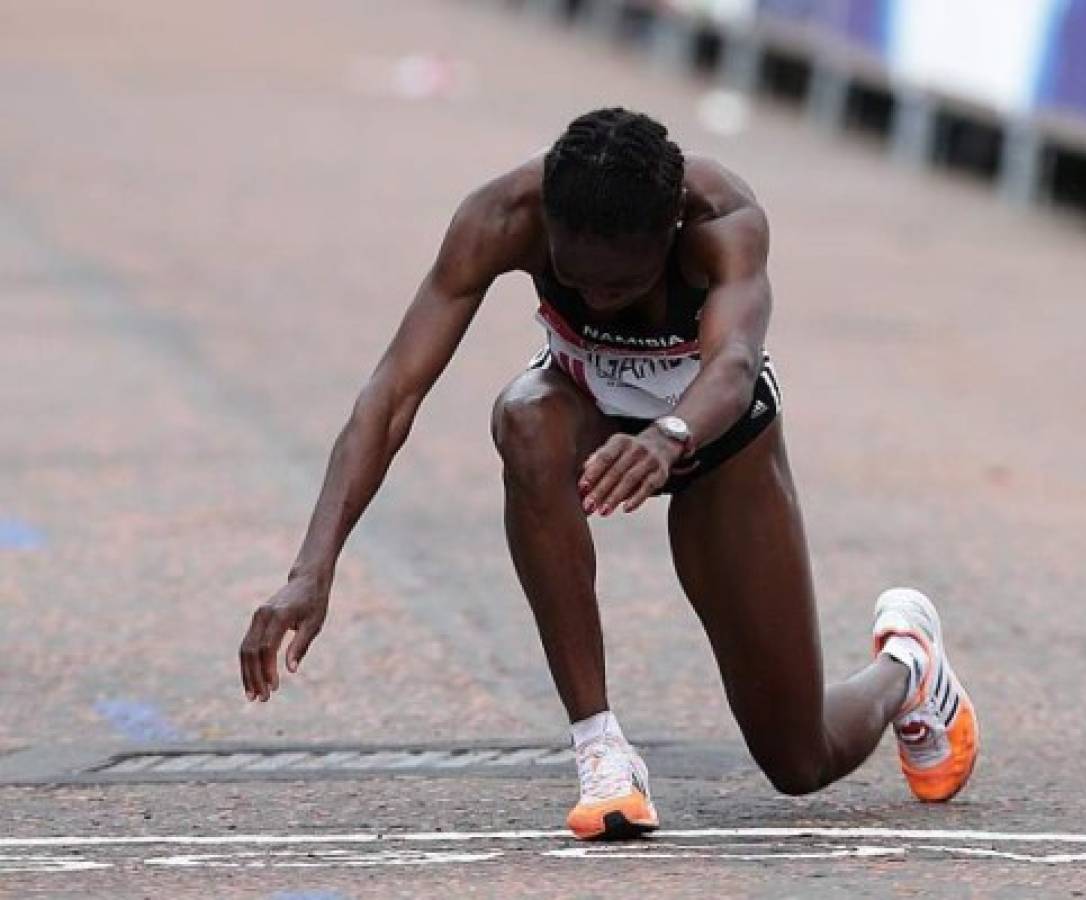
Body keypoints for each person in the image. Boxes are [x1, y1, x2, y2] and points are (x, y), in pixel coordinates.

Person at [238, 108, 979, 841]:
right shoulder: (503, 214)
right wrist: (313, 565)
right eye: (571, 279)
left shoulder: (722, 219)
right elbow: (392, 392)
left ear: (668, 233)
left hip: (717, 435)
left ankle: (908, 665)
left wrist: (670, 434)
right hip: (581, 408)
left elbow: (731, 364)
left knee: (798, 760)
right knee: (522, 418)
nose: (593, 299)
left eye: (618, 287)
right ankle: (601, 751)